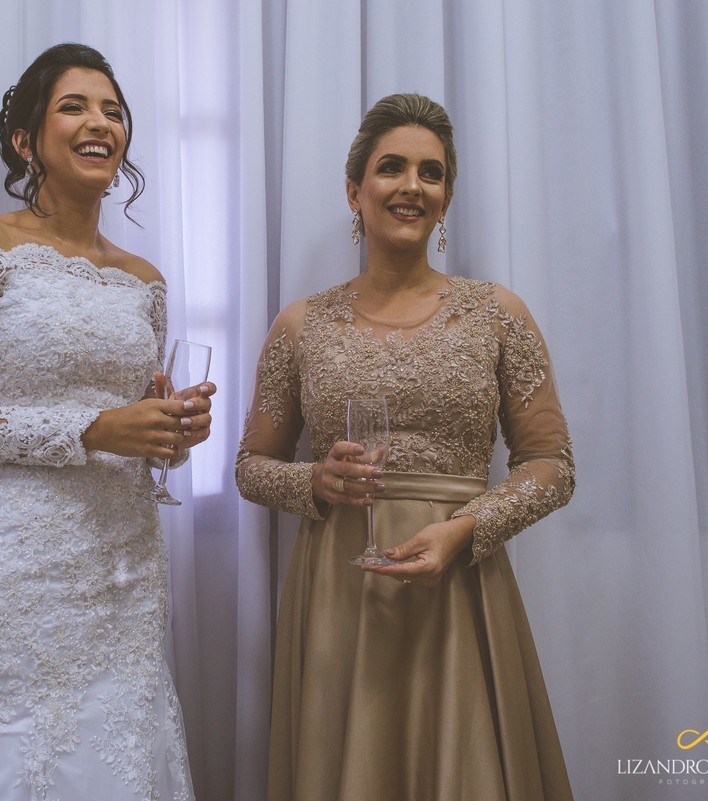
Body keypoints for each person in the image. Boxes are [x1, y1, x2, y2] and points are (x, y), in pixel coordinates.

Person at [0, 43, 214, 801]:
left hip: (126, 565)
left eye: (112, 110)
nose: (100, 122)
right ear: (25, 139)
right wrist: (93, 430)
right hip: (20, 565)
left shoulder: (145, 280)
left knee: (121, 746)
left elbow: (135, 429)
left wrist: (169, 430)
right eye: (75, 106)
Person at [236, 94, 575, 801]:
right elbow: (250, 465)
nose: (411, 186)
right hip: (340, 586)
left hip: (461, 581)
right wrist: (314, 483)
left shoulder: (498, 314)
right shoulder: (300, 324)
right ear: (354, 190)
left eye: (432, 172)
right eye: (391, 168)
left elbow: (552, 465)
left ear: (447, 199)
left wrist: (466, 528)